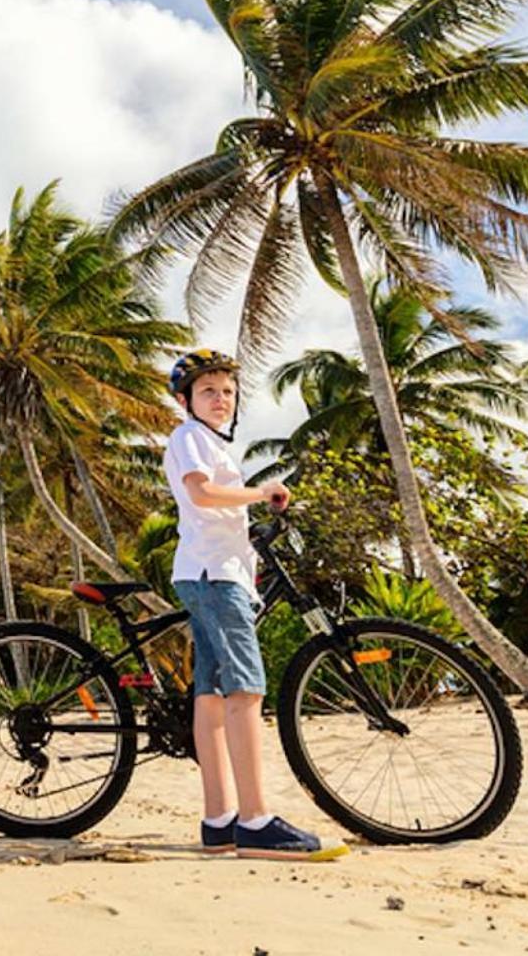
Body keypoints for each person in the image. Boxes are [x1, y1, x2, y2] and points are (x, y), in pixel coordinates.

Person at [164, 348, 342, 861]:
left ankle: (219, 819)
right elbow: (203, 495)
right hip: (213, 577)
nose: (220, 400)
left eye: (227, 392)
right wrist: (260, 493)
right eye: (207, 392)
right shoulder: (190, 437)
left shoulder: (207, 441)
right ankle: (256, 820)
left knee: (212, 693)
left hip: (212, 572)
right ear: (185, 400)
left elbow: (214, 503)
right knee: (246, 687)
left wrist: (252, 516)